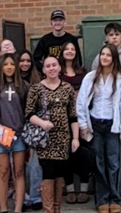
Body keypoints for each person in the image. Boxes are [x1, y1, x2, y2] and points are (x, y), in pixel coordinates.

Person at [75, 44, 121, 213]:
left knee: (114, 163)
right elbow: (81, 102)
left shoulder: (120, 80)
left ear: (114, 58)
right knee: (98, 163)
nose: (105, 57)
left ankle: (115, 199)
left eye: (108, 55)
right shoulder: (90, 77)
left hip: (112, 126)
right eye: (102, 54)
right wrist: (83, 125)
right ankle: (102, 200)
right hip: (95, 125)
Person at [25, 56, 78, 213]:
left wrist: (75, 138)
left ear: (59, 67)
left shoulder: (67, 88)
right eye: (48, 66)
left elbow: (73, 115)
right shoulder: (36, 88)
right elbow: (29, 113)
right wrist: (42, 123)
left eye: (54, 65)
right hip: (45, 139)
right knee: (48, 173)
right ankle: (48, 210)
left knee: (59, 173)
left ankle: (57, 209)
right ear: (43, 70)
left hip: (63, 138)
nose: (52, 68)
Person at [90, 23, 121, 195]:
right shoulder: (98, 59)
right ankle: (101, 192)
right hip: (104, 115)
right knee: (102, 156)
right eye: (111, 35)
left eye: (117, 34)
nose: (114, 37)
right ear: (106, 38)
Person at [0, 53, 28, 213]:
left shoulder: (23, 86)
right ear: (1, 67)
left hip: (19, 136)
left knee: (19, 171)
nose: (9, 67)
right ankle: (3, 209)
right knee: (3, 172)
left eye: (12, 64)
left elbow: (28, 111)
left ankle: (18, 209)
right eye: (6, 64)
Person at [58, 42, 89, 204]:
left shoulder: (83, 73)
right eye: (67, 49)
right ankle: (69, 188)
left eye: (73, 49)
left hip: (81, 117)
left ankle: (84, 188)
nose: (70, 51)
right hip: (63, 121)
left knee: (83, 154)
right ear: (62, 52)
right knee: (66, 154)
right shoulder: (58, 72)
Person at [18, 51, 43, 212]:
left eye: (28, 61)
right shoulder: (11, 80)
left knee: (34, 163)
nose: (25, 64)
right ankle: (22, 197)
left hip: (32, 126)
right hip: (15, 126)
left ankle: (35, 196)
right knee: (19, 164)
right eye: (22, 60)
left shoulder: (37, 80)